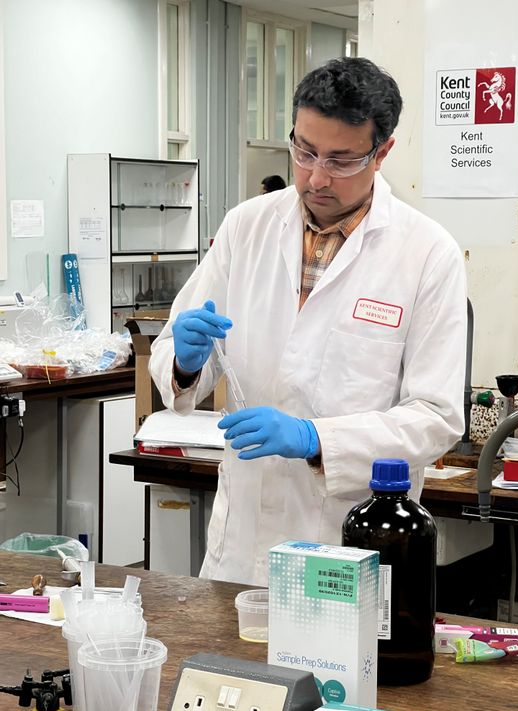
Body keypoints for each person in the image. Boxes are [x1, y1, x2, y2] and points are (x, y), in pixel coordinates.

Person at [149, 57, 467, 586]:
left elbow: (436, 418)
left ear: (382, 152)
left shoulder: (427, 254)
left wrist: (314, 437)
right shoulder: (246, 227)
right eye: (304, 151)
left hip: (346, 545)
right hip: (240, 548)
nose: (317, 177)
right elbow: (174, 369)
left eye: (341, 160)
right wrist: (184, 360)